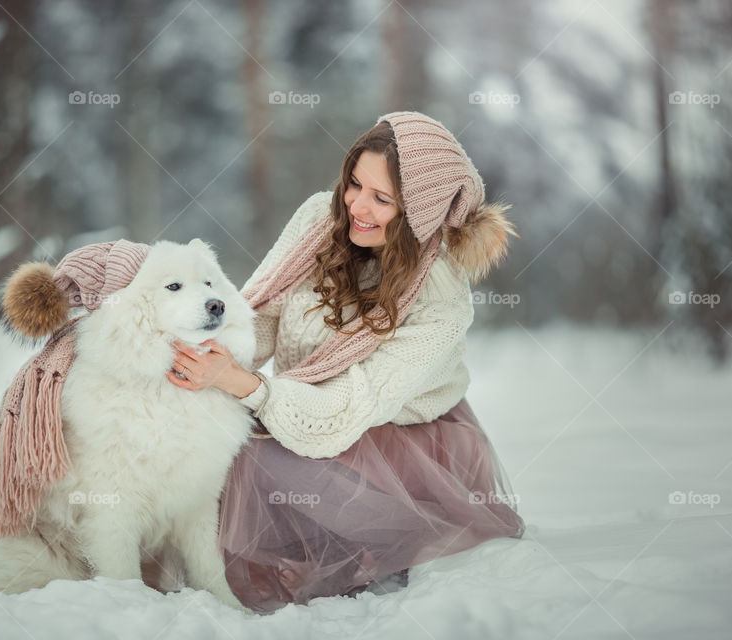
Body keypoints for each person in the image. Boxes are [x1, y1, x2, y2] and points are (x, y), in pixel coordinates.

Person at [166, 111, 525, 613]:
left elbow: (339, 415)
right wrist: (204, 354)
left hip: (388, 440)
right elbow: (262, 313)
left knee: (243, 461)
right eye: (355, 184)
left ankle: (376, 542)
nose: (357, 205)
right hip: (306, 406)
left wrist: (246, 386)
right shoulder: (322, 217)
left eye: (382, 199)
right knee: (196, 433)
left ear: (418, 213)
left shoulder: (440, 299)